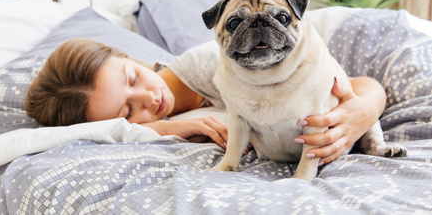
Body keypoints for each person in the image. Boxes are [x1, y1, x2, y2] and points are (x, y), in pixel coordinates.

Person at [25, 38, 387, 166]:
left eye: (133, 78)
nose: (149, 99)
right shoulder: (160, 127)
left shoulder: (212, 63)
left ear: (128, 56)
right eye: (126, 112)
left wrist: (362, 112)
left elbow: (363, 85)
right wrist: (166, 127)